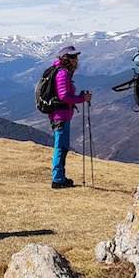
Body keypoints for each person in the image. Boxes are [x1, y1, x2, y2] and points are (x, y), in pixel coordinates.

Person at [47, 46, 92, 189]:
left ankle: (60, 177)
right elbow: (64, 96)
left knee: (62, 146)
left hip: (61, 114)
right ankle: (58, 179)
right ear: (65, 58)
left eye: (76, 57)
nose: (75, 59)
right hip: (61, 115)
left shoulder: (64, 72)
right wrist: (82, 98)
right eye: (72, 57)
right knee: (60, 147)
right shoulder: (63, 74)